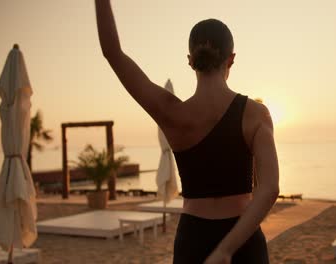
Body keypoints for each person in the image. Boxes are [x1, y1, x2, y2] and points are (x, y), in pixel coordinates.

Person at [95, 1, 279, 263]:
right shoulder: (256, 114)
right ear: (231, 59)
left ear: (190, 61)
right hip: (244, 238)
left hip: (193, 239)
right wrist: (226, 250)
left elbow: (112, 52)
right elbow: (269, 189)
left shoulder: (171, 113)